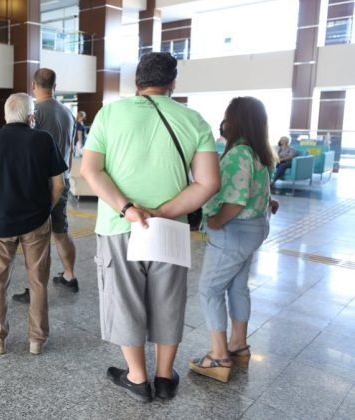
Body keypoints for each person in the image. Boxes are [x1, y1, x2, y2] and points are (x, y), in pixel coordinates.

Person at [80, 52, 220, 402]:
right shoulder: (194, 120)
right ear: (173, 83)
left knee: (125, 298)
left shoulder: (110, 113)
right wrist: (163, 212)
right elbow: (207, 184)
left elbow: (91, 170)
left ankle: (138, 378)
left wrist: (128, 209)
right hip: (168, 229)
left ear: (136, 83)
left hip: (118, 226)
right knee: (168, 299)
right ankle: (164, 377)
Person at [190, 97, 278, 383]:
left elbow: (235, 202)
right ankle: (238, 345)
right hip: (254, 229)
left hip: (234, 230)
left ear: (236, 120)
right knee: (238, 287)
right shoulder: (259, 152)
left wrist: (215, 221)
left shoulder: (239, 153)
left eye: (227, 116)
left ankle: (218, 356)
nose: (224, 122)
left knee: (210, 289)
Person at [0, 93, 67, 356]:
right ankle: (37, 339)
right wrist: (45, 210)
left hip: (1, 221)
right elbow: (59, 184)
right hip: (36, 222)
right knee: (38, 281)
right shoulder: (43, 139)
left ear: (5, 116)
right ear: (31, 117)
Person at [13, 68, 78, 304]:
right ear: (55, 85)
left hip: (40, 184)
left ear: (33, 85)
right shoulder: (67, 113)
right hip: (63, 178)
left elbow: (26, 148)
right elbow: (70, 150)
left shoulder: (34, 112)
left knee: (37, 239)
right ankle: (70, 276)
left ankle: (35, 288)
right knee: (61, 232)